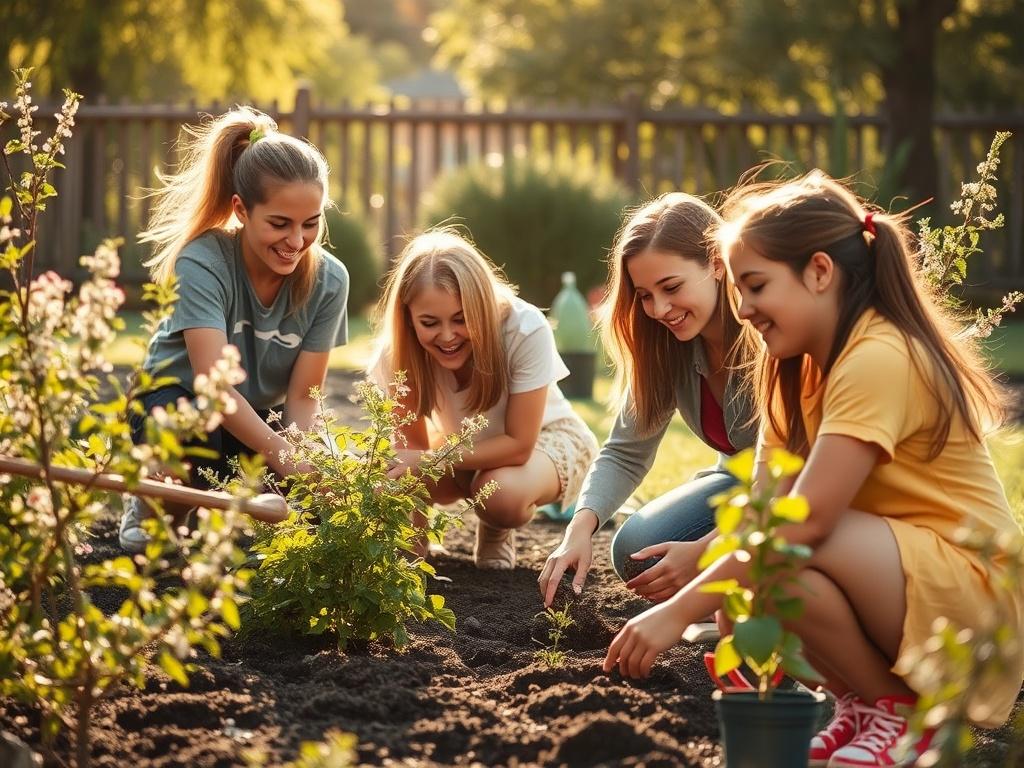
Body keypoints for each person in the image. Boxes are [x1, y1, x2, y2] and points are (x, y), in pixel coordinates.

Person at [603, 171, 1023, 767]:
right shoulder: (792, 370)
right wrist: (726, 608)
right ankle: (867, 705)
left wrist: (679, 610)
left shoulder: (878, 355)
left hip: (971, 596)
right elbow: (763, 510)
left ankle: (904, 715)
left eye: (755, 286)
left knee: (785, 546)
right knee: (759, 573)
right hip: (901, 578)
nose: (743, 309)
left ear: (820, 273)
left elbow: (805, 522)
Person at [118, 106, 349, 553]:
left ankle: (205, 499)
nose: (297, 241)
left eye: (311, 223)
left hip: (257, 416)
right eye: (279, 223)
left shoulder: (330, 280)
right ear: (242, 210)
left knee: (309, 502)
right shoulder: (203, 262)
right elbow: (212, 388)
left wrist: (302, 464)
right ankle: (153, 497)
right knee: (190, 455)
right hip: (180, 404)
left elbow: (303, 398)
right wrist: (286, 460)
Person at [538, 193, 760, 607]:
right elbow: (625, 453)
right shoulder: (667, 347)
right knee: (637, 551)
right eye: (644, 295)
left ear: (716, 262)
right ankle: (727, 587)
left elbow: (794, 475)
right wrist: (578, 530)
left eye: (671, 287)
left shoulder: (767, 335)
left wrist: (709, 551)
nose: (659, 309)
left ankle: (735, 589)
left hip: (796, 492)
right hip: (737, 484)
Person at [370, 229, 598, 569]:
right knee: (391, 475)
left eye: (461, 319)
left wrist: (429, 460)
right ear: (408, 317)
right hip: (462, 449)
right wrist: (411, 551)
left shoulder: (523, 328)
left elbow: (520, 444)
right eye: (429, 323)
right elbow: (410, 455)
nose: (447, 336)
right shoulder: (398, 353)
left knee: (499, 494)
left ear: (482, 306)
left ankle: (495, 528)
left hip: (544, 443)